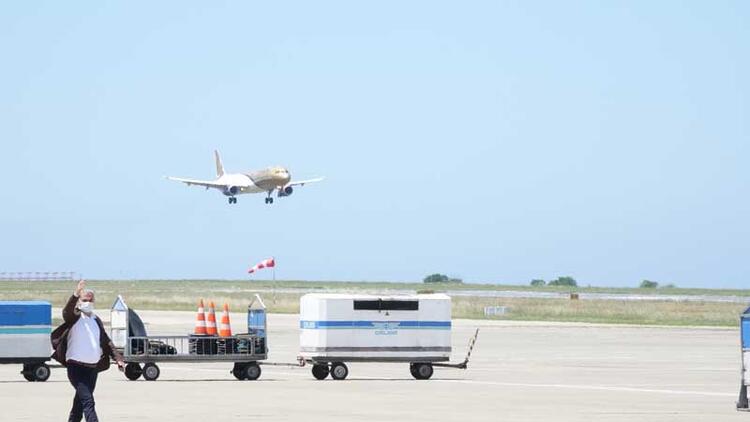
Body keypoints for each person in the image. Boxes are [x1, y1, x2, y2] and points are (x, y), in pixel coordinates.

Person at [51, 280, 125, 422]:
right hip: (76, 368)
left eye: (91, 300)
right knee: (88, 402)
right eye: (85, 300)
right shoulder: (75, 317)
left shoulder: (95, 319)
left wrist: (118, 359)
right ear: (79, 301)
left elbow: (106, 341)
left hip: (92, 369)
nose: (88, 302)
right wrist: (75, 294)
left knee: (79, 405)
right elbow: (66, 311)